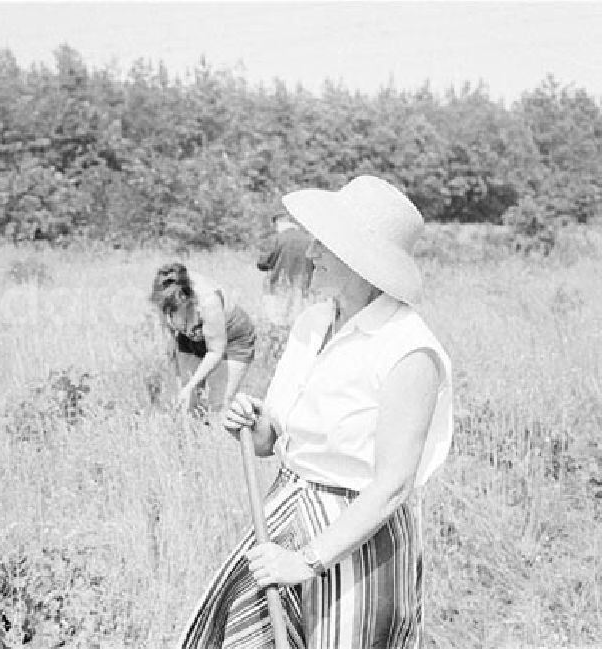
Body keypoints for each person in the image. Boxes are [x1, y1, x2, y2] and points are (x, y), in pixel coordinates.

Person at [179, 175, 453, 648]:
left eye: (324, 245)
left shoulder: (409, 351)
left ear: (360, 262)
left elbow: (392, 486)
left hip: (360, 539)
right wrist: (250, 421)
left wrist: (307, 561)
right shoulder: (313, 323)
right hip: (286, 513)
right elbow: (273, 440)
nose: (310, 255)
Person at [150, 263, 257, 417]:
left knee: (219, 404)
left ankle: (219, 436)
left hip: (232, 338)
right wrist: (181, 380)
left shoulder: (208, 301)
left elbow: (215, 351)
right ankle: (191, 438)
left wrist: (190, 386)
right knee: (188, 405)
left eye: (173, 308)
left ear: (183, 298)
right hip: (192, 336)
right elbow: (169, 338)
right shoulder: (164, 296)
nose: (169, 312)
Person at [256, 210, 314, 323]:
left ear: (277, 223)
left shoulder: (277, 238)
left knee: (278, 322)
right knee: (299, 323)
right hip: (303, 288)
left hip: (279, 288)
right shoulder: (308, 240)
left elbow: (262, 263)